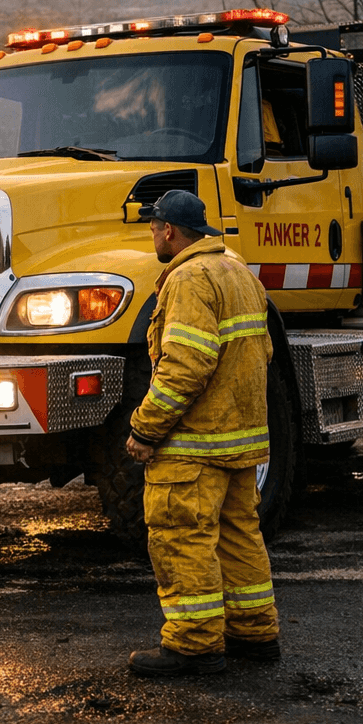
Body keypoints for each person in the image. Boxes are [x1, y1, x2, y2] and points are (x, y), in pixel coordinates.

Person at [125, 189, 281, 676]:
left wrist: (145, 428)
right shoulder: (238, 271)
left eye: (153, 227)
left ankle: (193, 644)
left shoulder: (189, 278)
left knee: (182, 536)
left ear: (169, 230)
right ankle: (255, 634)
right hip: (238, 440)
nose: (152, 234)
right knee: (239, 535)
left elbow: (186, 366)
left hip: (192, 445)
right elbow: (265, 354)